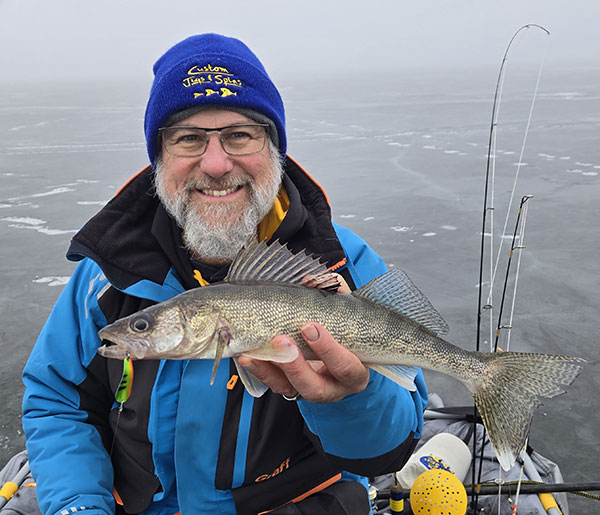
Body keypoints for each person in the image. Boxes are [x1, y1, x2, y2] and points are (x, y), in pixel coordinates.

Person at [22, 33, 428, 515]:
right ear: (159, 157)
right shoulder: (106, 271)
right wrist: (78, 506)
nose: (215, 164)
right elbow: (57, 399)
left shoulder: (341, 264)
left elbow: (388, 451)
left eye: (240, 134)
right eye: (188, 137)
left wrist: (349, 398)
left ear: (274, 148)